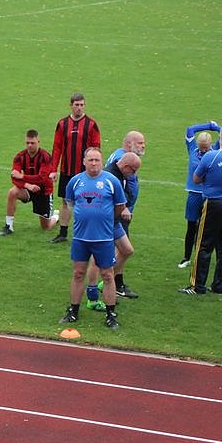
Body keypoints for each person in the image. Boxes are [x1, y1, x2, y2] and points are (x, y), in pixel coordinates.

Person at [58, 148, 127, 330]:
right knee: (78, 273)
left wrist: (106, 220)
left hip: (103, 238)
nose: (94, 163)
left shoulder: (111, 181)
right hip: (81, 237)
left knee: (108, 275)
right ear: (84, 162)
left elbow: (120, 205)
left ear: (102, 161)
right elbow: (70, 203)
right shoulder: (75, 182)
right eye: (90, 160)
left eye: (97, 160)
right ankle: (73, 311)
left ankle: (111, 314)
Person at [179, 124, 222, 296]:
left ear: (221, 137)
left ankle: (197, 286)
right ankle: (219, 286)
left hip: (214, 204)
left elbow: (196, 179)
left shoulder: (211, 156)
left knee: (204, 244)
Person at [83, 152, 142, 308]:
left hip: (114, 222)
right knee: (96, 259)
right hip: (103, 223)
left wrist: (124, 206)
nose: (133, 174)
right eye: (133, 170)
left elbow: (125, 196)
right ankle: (92, 297)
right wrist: (122, 208)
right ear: (126, 166)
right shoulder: (109, 176)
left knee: (127, 250)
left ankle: (105, 282)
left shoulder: (121, 174)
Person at [48, 93, 101, 244]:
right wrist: (53, 169)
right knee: (66, 201)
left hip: (85, 172)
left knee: (86, 202)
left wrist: (95, 168)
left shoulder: (91, 124)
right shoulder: (62, 124)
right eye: (76, 105)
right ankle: (63, 233)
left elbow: (96, 148)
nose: (79, 108)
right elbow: (57, 147)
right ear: (71, 105)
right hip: (67, 170)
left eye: (81, 105)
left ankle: (87, 232)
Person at [0, 129, 58, 235]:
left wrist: (22, 176)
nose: (29, 145)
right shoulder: (20, 156)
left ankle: (55, 216)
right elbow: (14, 177)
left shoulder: (45, 157)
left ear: (38, 142)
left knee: (46, 227)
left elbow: (42, 178)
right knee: (12, 192)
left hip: (43, 191)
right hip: (28, 189)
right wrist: (27, 185)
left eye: (32, 143)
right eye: (27, 143)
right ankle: (9, 226)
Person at [180, 122, 221, 268]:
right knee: (191, 226)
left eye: (206, 147)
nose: (204, 150)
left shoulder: (216, 150)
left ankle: (204, 257)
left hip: (209, 196)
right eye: (202, 147)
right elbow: (190, 129)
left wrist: (216, 128)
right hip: (193, 195)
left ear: (211, 144)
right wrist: (208, 125)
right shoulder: (192, 149)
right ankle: (186, 257)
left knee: (208, 228)